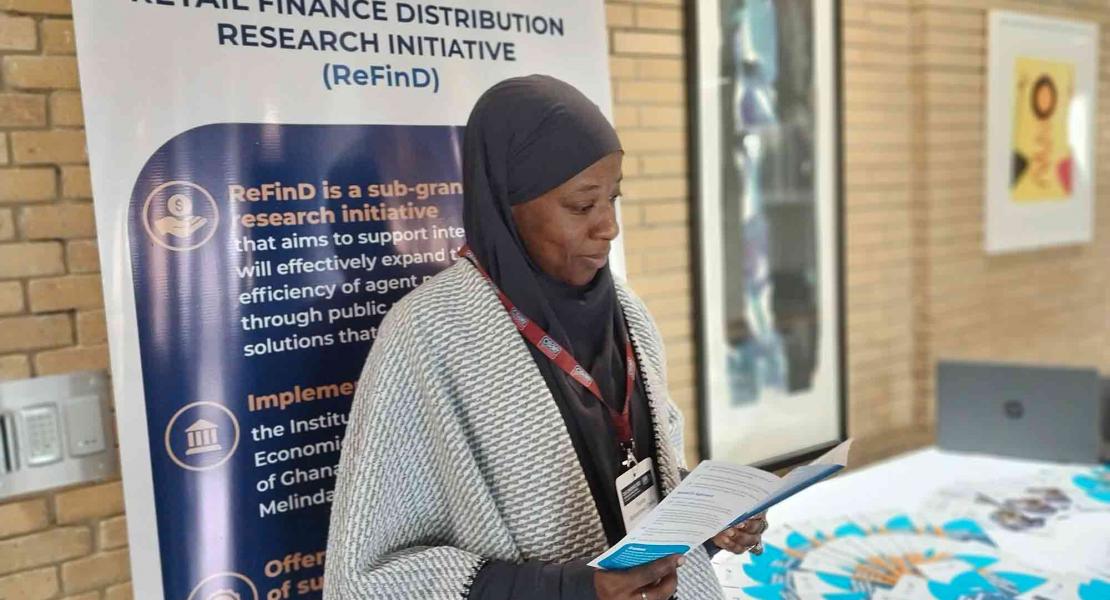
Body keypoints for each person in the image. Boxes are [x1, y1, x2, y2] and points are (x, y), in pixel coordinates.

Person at [324, 75, 767, 600]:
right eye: (582, 206)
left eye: (613, 199)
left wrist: (708, 521)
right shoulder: (429, 335)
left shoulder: (627, 313)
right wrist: (577, 590)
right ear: (506, 206)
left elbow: (637, 477)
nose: (609, 227)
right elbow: (367, 577)